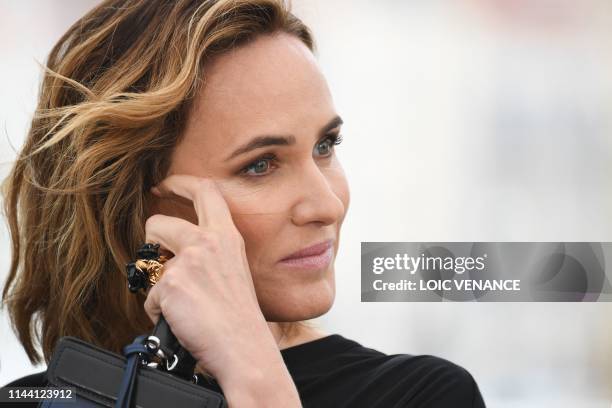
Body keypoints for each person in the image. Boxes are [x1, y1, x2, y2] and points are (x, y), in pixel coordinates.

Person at [0, 0, 486, 406]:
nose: (326, 205)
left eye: (325, 146)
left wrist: (255, 380)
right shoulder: (39, 400)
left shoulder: (417, 396)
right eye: (261, 165)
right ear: (142, 206)